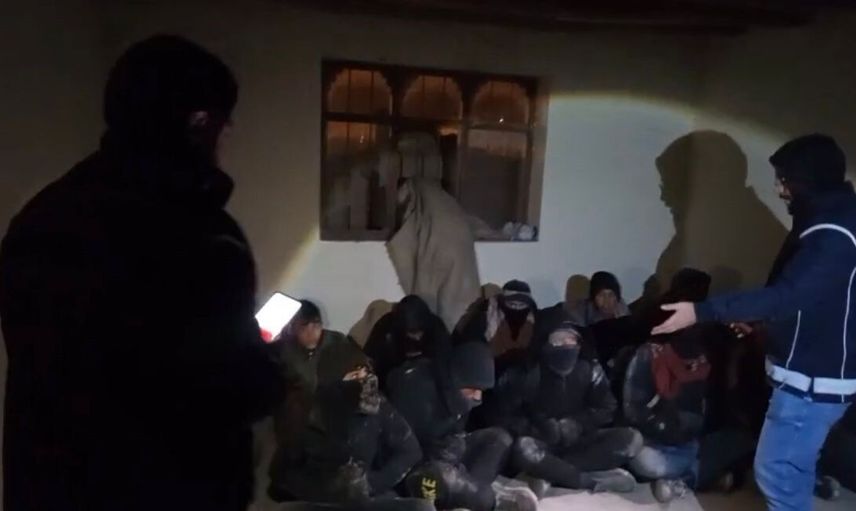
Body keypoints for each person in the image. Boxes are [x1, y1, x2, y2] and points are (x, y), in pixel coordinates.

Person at [0, 36, 281, 511]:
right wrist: (269, 366)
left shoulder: (42, 218)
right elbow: (226, 389)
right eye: (223, 126)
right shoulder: (201, 235)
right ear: (199, 124)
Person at [653, 134, 856, 511]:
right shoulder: (828, 220)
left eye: (785, 180)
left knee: (777, 471)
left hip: (812, 379)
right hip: (809, 370)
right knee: (792, 465)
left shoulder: (834, 234)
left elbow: (788, 295)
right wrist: (761, 321)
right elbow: (817, 299)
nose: (779, 189)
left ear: (809, 179)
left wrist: (701, 311)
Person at [484, 321, 640, 495]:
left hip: (580, 441)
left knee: (631, 439)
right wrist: (537, 429)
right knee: (523, 449)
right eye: (558, 340)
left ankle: (550, 473)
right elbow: (501, 416)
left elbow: (607, 408)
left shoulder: (590, 370)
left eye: (571, 340)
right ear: (545, 343)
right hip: (539, 443)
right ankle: (587, 480)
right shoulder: (524, 373)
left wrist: (577, 424)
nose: (566, 345)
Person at [387, 342, 538, 511]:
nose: (477, 397)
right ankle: (484, 500)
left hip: (443, 458)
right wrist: (436, 454)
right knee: (447, 479)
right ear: (455, 378)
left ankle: (470, 498)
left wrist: (456, 443)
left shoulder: (458, 392)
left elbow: (455, 430)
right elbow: (398, 451)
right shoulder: (414, 389)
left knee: (499, 439)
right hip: (414, 471)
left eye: (481, 390)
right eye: (473, 389)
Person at [270, 363, 423, 506]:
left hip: (356, 502)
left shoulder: (376, 407)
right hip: (314, 501)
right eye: (355, 374)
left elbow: (410, 451)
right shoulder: (311, 408)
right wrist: (311, 489)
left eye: (366, 374)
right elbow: (282, 467)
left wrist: (371, 483)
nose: (362, 379)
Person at [269, 300, 368, 500]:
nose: (311, 332)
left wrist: (353, 377)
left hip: (332, 411)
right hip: (299, 415)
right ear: (293, 328)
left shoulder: (337, 342)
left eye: (316, 325)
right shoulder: (284, 350)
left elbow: (362, 367)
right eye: (304, 327)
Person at [622, 332, 711, 503]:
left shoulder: (700, 367)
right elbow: (632, 411)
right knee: (645, 463)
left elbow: (700, 414)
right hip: (651, 442)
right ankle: (687, 477)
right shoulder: (648, 357)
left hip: (684, 443)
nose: (696, 363)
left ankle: (677, 479)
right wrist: (662, 426)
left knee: (725, 444)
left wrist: (686, 429)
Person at [363, 294, 451, 386]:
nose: (418, 337)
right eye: (412, 333)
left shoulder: (437, 327)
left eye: (420, 332)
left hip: (425, 379)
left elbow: (444, 366)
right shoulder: (386, 324)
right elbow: (369, 356)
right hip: (392, 379)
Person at [455, 280, 538, 376]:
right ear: (501, 302)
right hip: (484, 375)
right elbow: (469, 352)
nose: (516, 308)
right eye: (511, 304)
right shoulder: (484, 319)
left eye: (521, 305)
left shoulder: (536, 323)